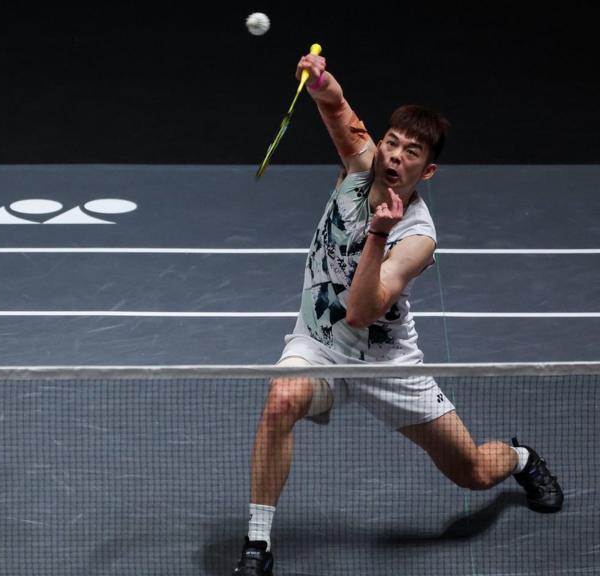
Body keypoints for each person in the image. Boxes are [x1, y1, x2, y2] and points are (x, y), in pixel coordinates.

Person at [233, 52, 563, 575]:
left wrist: (379, 232)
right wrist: (318, 81)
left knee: (473, 471)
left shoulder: (418, 238)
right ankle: (257, 545)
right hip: (318, 345)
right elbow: (337, 107)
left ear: (426, 170)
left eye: (411, 152)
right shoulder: (358, 168)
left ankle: (521, 459)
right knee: (280, 400)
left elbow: (363, 313)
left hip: (389, 365)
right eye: (391, 142)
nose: (394, 155)